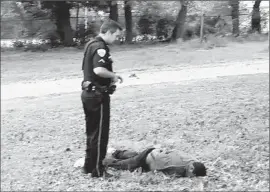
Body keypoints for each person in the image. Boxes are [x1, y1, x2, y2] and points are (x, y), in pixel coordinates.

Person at [81, 19, 123, 178]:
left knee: (92, 132)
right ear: (109, 32)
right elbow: (99, 70)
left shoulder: (90, 44)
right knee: (100, 134)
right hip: (98, 95)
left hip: (89, 93)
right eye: (116, 36)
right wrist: (114, 75)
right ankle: (97, 170)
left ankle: (88, 165)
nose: (117, 39)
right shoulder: (100, 47)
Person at [103, 147, 207, 177]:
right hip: (148, 159)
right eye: (192, 175)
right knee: (124, 165)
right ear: (191, 169)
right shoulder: (179, 167)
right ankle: (100, 161)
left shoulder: (191, 160)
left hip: (153, 151)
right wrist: (145, 172)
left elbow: (173, 151)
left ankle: (114, 151)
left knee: (134, 156)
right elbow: (159, 170)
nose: (191, 177)